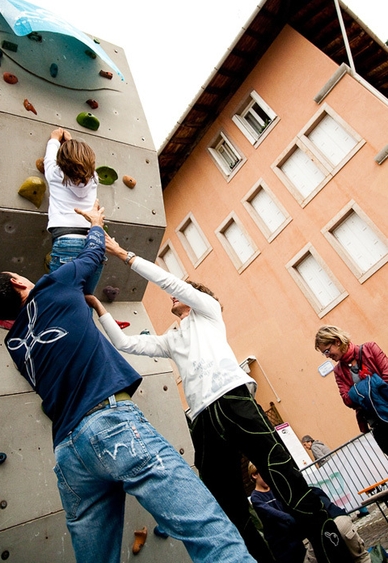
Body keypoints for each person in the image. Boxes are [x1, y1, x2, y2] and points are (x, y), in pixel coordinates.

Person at [0, 200, 256, 563]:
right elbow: (93, 255)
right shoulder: (53, 287)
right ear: (17, 281)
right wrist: (95, 223)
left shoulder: (14, 345)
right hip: (111, 425)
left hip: (68, 452)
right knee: (210, 533)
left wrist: (94, 308)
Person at [86, 235, 354, 563]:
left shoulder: (208, 311)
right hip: (203, 419)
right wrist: (99, 308)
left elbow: (169, 281)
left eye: (181, 291)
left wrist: (124, 255)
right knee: (227, 504)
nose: (172, 293)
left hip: (234, 400)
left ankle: (335, 554)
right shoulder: (172, 338)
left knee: (284, 476)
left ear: (196, 297)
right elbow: (128, 344)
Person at [44, 127, 104, 293]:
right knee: (85, 299)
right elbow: (79, 162)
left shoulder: (55, 174)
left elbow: (49, 159)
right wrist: (70, 142)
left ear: (62, 163)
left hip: (67, 240)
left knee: (60, 298)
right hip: (93, 242)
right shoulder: (94, 178)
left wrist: (55, 139)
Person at [315, 325, 388, 455]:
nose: (327, 356)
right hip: (380, 428)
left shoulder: (370, 348)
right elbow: (347, 400)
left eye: (326, 351)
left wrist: (358, 392)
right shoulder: (338, 371)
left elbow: (387, 377)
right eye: (324, 353)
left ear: (337, 341)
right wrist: (373, 383)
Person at [248, 462, 307, 563]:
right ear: (254, 475)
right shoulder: (256, 497)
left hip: (294, 537)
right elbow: (273, 513)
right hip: (281, 545)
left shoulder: (275, 487)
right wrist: (291, 519)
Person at [305, 487, 370, 563]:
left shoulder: (293, 501)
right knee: (361, 557)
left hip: (322, 529)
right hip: (340, 519)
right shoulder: (313, 490)